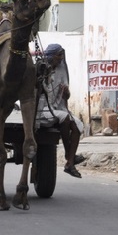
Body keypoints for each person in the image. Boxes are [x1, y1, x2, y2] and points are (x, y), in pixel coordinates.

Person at [37, 43, 85, 178]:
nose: (61, 59)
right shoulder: (41, 69)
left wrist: (66, 92)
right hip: (43, 109)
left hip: (58, 107)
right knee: (66, 119)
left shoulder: (61, 71)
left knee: (76, 126)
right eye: (59, 56)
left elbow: (66, 97)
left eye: (62, 56)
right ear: (52, 56)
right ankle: (68, 155)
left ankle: (69, 162)